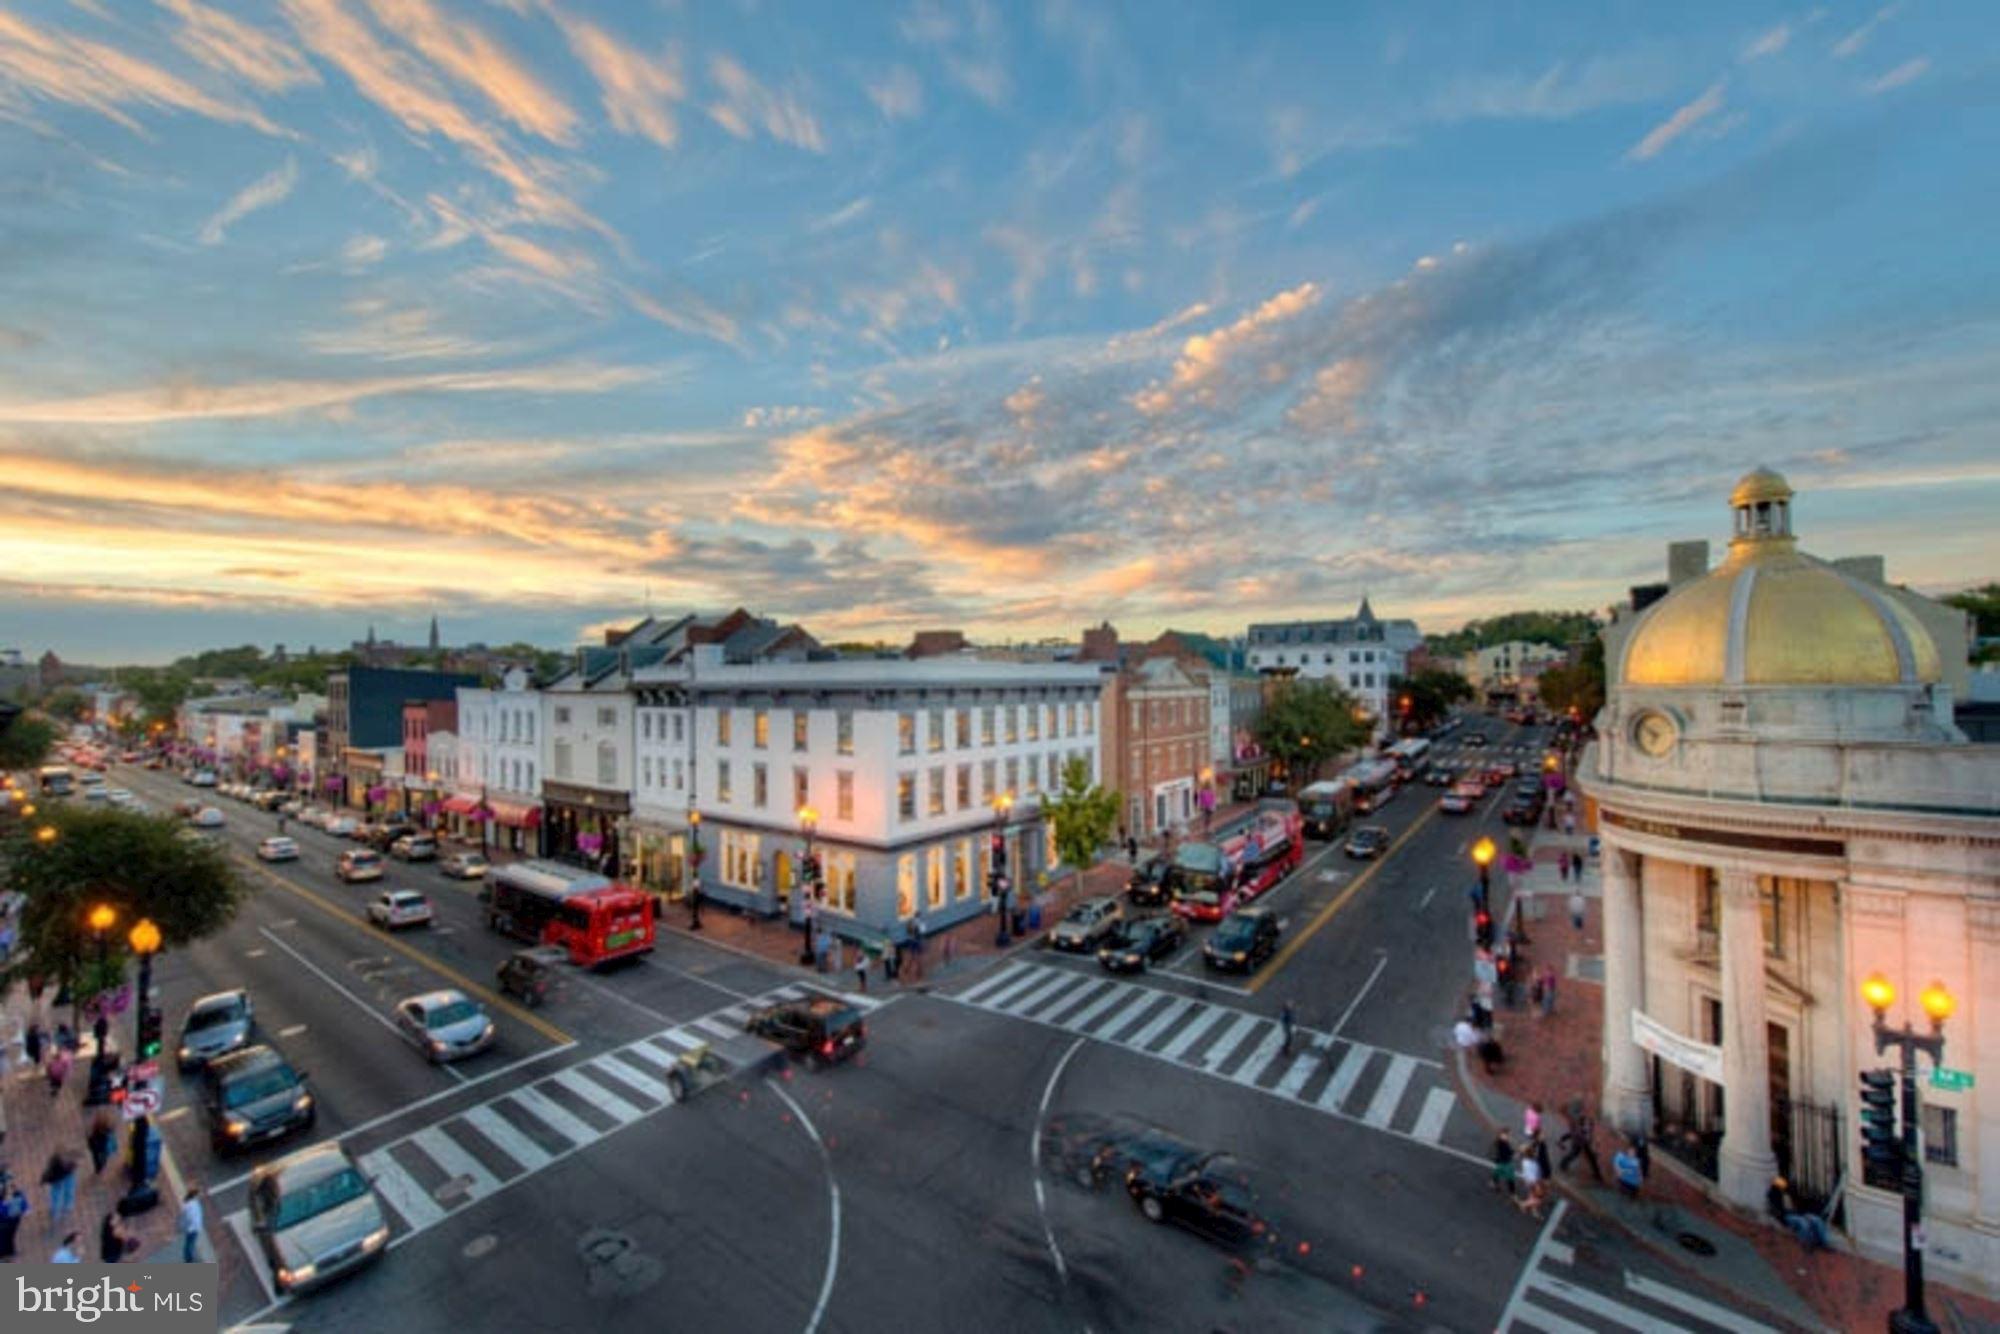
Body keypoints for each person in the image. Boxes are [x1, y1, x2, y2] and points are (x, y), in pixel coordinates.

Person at [1767, 1176, 1829, 1252]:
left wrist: (1804, 1213)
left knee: (1817, 1220)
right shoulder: (1774, 1195)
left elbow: (1801, 1205)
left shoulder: (1791, 1193)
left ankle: (1824, 1243)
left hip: (1799, 1213)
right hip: (1787, 1216)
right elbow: (1777, 1210)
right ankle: (1805, 1242)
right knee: (1803, 1223)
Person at [1559, 1106, 1603, 1183]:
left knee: (1591, 1158)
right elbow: (1572, 1135)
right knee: (1575, 1154)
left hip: (1583, 1143)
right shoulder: (1579, 1130)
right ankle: (1563, 1164)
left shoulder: (1585, 1124)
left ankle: (1597, 1174)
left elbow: (1589, 1133)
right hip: (1579, 1143)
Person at [42, 1151, 77, 1229]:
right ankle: (66, 1208)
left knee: (57, 1198)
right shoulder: (69, 1167)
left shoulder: (54, 1166)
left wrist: (44, 1180)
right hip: (64, 1178)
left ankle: (56, 1214)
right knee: (68, 1193)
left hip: (58, 1181)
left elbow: (47, 1174)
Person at [0, 1183, 27, 1261]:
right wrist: (17, 1192)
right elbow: (23, 1205)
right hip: (9, 1226)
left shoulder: (6, 1205)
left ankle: (7, 1254)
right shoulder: (9, 1205)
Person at [179, 1182, 204, 1263]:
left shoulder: (189, 1203)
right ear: (195, 1194)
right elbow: (191, 1218)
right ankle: (189, 1258)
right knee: (190, 1243)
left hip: (191, 1228)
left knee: (189, 1242)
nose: (200, 1194)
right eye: (198, 1193)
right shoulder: (191, 1205)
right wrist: (196, 1226)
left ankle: (188, 1256)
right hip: (192, 1228)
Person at [1489, 1129, 1516, 1195]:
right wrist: (1514, 1153)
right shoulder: (1502, 1143)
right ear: (1500, 1135)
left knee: (1497, 1172)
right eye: (1506, 1135)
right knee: (1510, 1178)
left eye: (1508, 1135)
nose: (1508, 1136)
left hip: (1500, 1162)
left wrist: (1513, 1152)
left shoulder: (1501, 1142)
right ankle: (1512, 1193)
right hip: (1505, 1162)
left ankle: (1494, 1182)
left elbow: (1508, 1151)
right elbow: (1507, 1153)